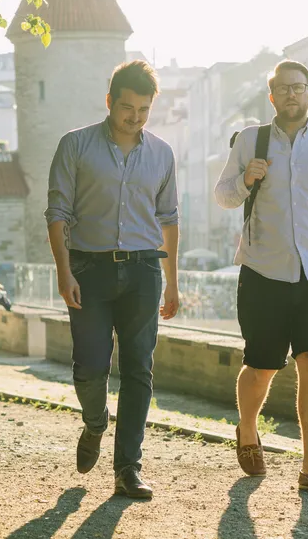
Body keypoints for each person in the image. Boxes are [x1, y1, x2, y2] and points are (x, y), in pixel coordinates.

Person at [214, 59, 308, 495]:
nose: (292, 94)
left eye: (300, 87)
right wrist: (245, 178)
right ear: (272, 96)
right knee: (260, 368)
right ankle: (246, 429)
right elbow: (222, 196)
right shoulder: (250, 140)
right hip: (263, 271)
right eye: (283, 88)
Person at [46, 60, 179, 501]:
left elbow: (169, 219)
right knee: (90, 366)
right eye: (127, 107)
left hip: (143, 270)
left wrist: (171, 281)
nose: (135, 116)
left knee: (139, 368)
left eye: (143, 109)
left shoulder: (162, 153)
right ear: (109, 101)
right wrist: (64, 272)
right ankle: (95, 421)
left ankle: (128, 468)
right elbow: (57, 213)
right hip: (89, 270)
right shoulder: (75, 145)